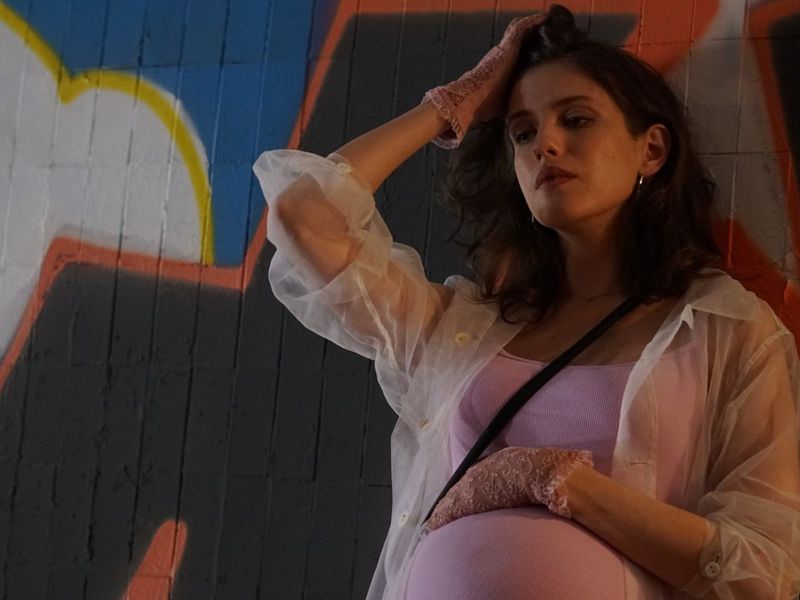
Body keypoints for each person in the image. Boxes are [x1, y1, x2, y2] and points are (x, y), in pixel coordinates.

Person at [253, 5, 800, 599]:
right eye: (522, 132)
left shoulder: (725, 331)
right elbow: (303, 216)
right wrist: (452, 106)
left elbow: (763, 571)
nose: (547, 145)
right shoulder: (459, 332)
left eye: (576, 119)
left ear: (652, 150)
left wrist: (559, 480)